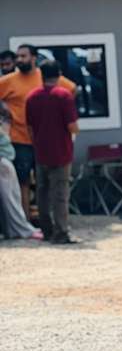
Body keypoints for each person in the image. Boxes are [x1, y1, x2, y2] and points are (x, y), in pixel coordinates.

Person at [0, 44, 76, 220]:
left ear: (34, 57)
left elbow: (72, 89)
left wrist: (61, 115)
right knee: (23, 181)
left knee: (46, 184)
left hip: (44, 141)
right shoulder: (9, 80)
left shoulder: (44, 77)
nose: (19, 60)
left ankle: (48, 221)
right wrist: (3, 107)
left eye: (23, 56)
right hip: (20, 139)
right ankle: (25, 220)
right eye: (18, 56)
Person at [26, 59, 79, 243]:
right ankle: (61, 232)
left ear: (41, 74)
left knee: (42, 194)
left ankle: (46, 231)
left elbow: (30, 129)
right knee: (60, 195)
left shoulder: (31, 97)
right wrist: (76, 132)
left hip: (41, 152)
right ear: (59, 74)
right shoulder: (63, 95)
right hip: (61, 153)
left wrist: (38, 144)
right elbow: (72, 126)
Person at [0, 100, 43, 240]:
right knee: (11, 199)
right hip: (3, 161)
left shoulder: (4, 123)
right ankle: (22, 230)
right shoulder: (3, 124)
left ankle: (15, 229)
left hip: (5, 160)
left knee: (12, 197)